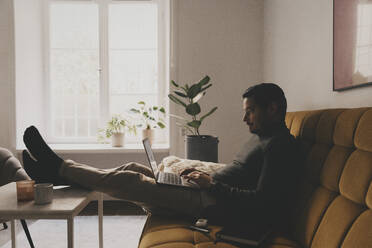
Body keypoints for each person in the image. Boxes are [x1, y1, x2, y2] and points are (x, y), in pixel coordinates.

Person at [22, 83, 301, 231]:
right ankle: (56, 171)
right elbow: (239, 172)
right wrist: (192, 174)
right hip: (205, 190)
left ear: (273, 108)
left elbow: (264, 204)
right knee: (133, 167)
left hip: (214, 205)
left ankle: (57, 167)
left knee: (132, 180)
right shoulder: (263, 137)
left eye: (250, 111)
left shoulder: (280, 147)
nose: (244, 118)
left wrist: (212, 185)